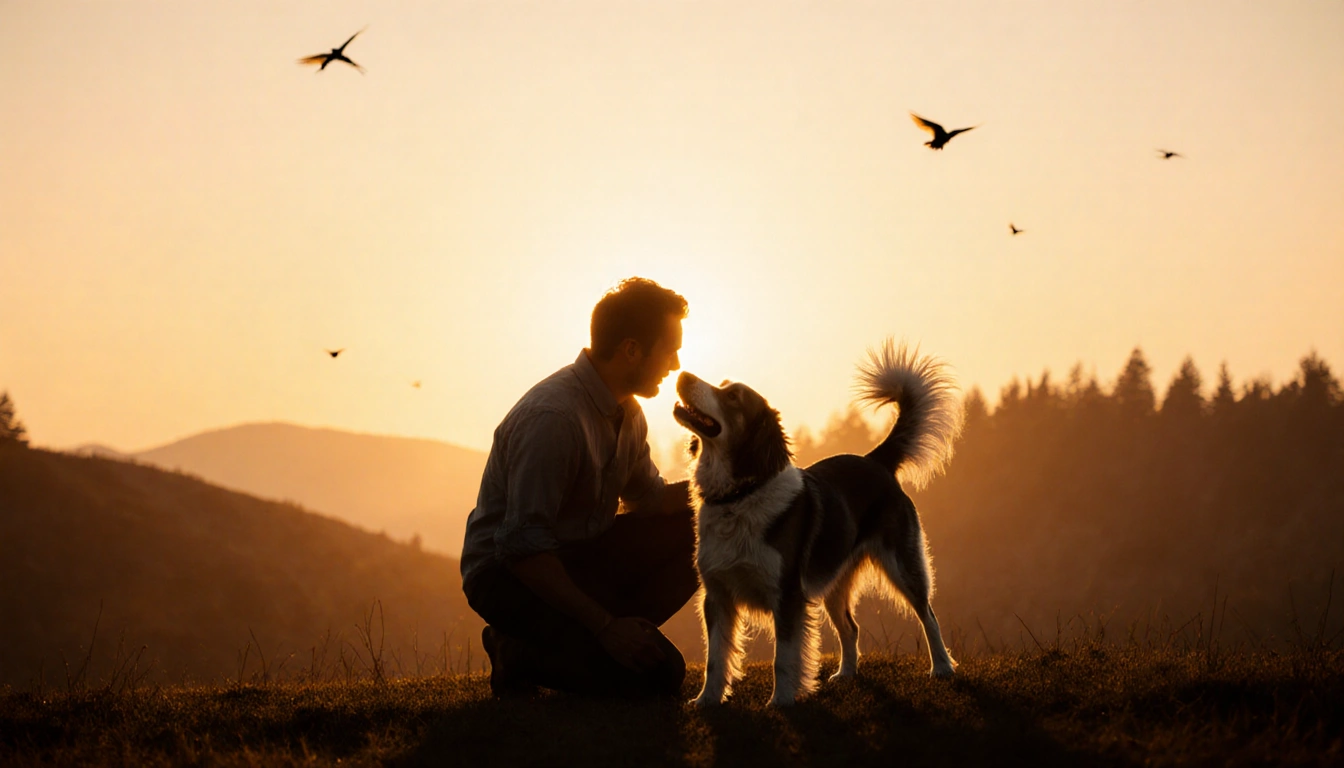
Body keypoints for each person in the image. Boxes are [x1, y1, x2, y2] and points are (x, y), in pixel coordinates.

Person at [460, 277, 698, 697]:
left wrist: (734, 487)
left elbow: (650, 499)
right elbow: (523, 550)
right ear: (631, 349)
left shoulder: (629, 413)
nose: (676, 363)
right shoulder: (554, 419)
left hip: (578, 557)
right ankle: (513, 650)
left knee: (704, 524)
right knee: (660, 678)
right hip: (508, 576)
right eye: (669, 349)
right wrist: (605, 627)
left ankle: (602, 643)